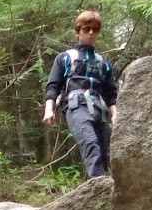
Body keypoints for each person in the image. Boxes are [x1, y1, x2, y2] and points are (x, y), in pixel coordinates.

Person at [42, 10, 118, 177]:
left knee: (106, 154)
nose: (91, 33)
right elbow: (53, 86)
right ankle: (99, 191)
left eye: (95, 30)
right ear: (78, 32)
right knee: (91, 145)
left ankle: (100, 191)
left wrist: (115, 115)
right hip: (76, 107)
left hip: (101, 110)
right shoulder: (65, 58)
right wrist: (49, 109)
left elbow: (111, 93)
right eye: (86, 29)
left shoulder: (102, 63)